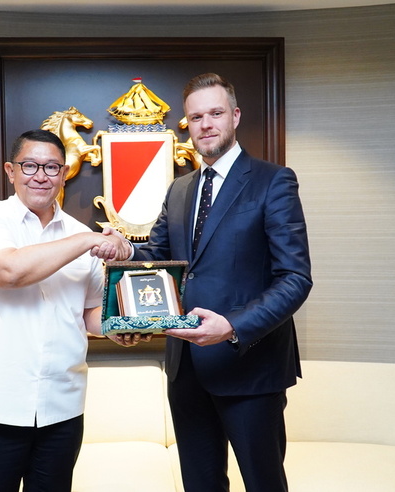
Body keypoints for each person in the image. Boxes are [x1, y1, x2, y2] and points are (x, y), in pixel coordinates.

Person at [130, 73, 313, 491]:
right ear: (187, 124)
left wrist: (231, 326)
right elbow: (158, 260)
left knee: (263, 483)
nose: (206, 124)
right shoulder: (178, 190)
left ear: (235, 116)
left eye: (215, 113)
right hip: (186, 370)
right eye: (196, 117)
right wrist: (121, 250)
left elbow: (295, 278)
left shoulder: (274, 180)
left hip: (250, 367)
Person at [0, 129, 144, 492]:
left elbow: (89, 312)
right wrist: (88, 240)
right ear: (11, 171)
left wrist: (116, 327)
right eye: (30, 165)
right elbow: (8, 272)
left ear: (64, 174)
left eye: (52, 167)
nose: (41, 176)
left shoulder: (79, 233)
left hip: (63, 409)